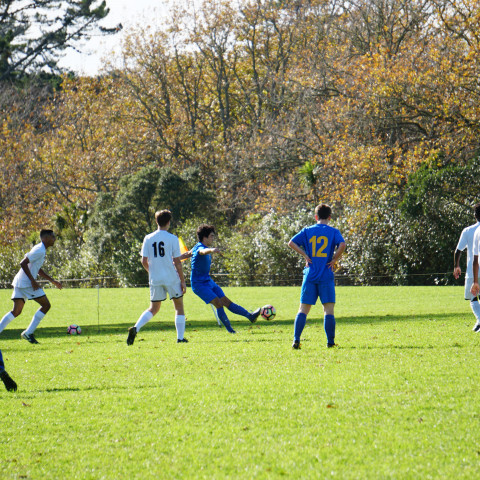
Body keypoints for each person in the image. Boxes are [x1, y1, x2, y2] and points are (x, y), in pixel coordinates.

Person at [127, 210, 192, 346]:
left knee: (153, 308)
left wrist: (153, 272)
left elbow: (144, 261)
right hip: (171, 277)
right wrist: (182, 281)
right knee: (179, 307)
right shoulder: (172, 238)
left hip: (155, 279)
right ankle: (180, 338)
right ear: (169, 222)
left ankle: (136, 328)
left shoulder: (148, 238)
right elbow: (177, 262)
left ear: (156, 221)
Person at [288, 204, 346, 349]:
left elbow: (291, 243)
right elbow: (342, 244)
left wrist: (305, 255)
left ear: (316, 217)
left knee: (303, 309)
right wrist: (334, 259)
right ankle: (330, 342)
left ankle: (296, 340)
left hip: (310, 274)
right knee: (328, 310)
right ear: (330, 217)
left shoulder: (307, 230)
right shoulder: (333, 231)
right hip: (326, 273)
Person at [190, 224, 261, 334]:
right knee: (218, 303)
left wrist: (177, 258)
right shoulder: (200, 248)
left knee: (226, 301)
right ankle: (231, 331)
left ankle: (250, 316)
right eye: (212, 236)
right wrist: (211, 250)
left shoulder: (196, 247)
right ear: (205, 237)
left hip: (208, 281)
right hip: (199, 284)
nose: (213, 238)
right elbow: (201, 252)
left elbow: (188, 254)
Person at [0, 229, 63, 344]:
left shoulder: (41, 249)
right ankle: (28, 333)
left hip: (20, 282)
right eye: (52, 237)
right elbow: (23, 263)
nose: (54, 239)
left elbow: (37, 269)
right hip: (26, 284)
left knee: (16, 311)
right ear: (46, 238)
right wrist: (33, 281)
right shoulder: (39, 250)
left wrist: (53, 281)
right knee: (46, 305)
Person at [455, 203, 480, 331]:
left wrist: (456, 266)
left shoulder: (469, 231)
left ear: (475, 215)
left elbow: (458, 250)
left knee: (473, 297)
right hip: (473, 268)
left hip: (472, 270)